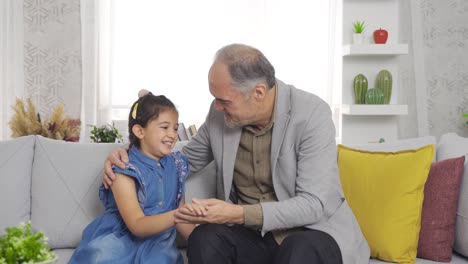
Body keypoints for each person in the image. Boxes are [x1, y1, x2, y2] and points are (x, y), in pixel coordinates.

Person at [104, 44, 370, 264]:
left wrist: (237, 214)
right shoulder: (220, 116)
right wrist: (129, 157)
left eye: (224, 101)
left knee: (298, 249)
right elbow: (180, 162)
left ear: (258, 93)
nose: (217, 107)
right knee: (205, 238)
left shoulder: (312, 114)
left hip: (312, 234)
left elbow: (313, 205)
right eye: (215, 99)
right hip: (255, 239)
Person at [70, 93, 200, 264]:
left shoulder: (177, 166)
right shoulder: (124, 169)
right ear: (139, 131)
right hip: (120, 243)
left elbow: (181, 214)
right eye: (164, 127)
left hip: (158, 246)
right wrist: (178, 215)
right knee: (100, 258)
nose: (172, 135)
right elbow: (137, 225)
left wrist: (203, 242)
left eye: (175, 128)